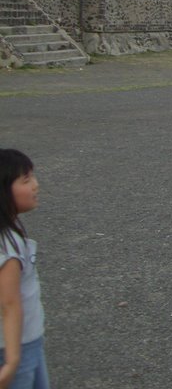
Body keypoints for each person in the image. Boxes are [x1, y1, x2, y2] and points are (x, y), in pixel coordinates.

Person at [0, 149, 50, 389]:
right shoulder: (6, 245)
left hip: (28, 338)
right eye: (26, 180)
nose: (36, 185)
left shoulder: (10, 231)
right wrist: (12, 361)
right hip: (16, 346)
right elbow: (9, 304)